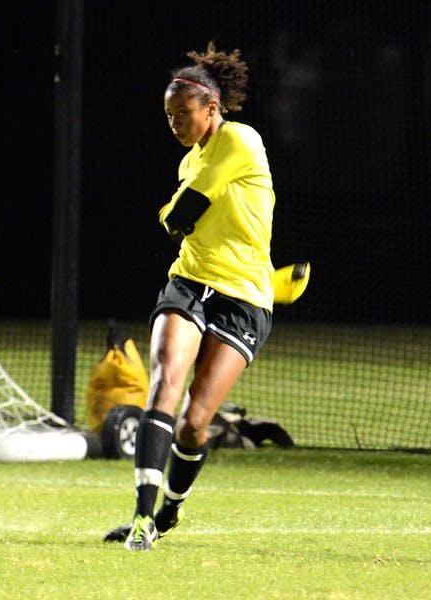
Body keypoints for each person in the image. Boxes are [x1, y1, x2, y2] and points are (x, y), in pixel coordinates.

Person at [105, 42, 277, 551]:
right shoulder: (190, 164)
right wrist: (171, 215)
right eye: (168, 115)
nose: (175, 122)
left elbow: (179, 217)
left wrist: (169, 214)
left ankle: (168, 513)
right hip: (189, 282)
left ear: (212, 108)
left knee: (195, 422)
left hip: (244, 296)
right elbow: (180, 223)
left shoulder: (241, 142)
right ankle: (140, 520)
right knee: (164, 384)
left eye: (183, 113)